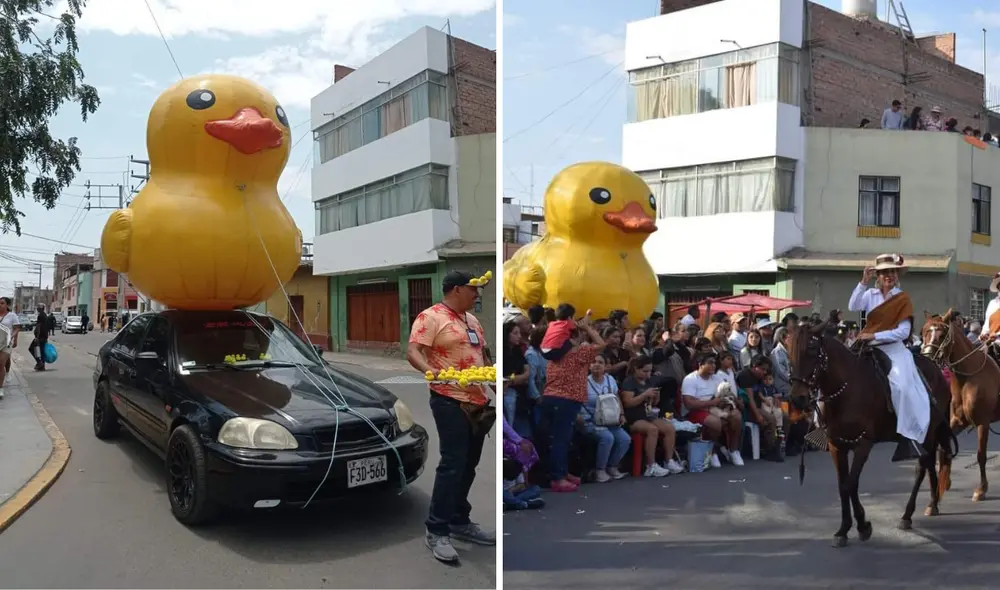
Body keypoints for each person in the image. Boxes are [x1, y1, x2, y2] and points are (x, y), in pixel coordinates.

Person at [406, 270, 496, 563]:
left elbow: (484, 355)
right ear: (456, 289)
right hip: (449, 399)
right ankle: (437, 529)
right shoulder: (431, 317)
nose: (477, 294)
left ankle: (459, 520)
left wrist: (496, 383)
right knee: (453, 464)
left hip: (477, 401)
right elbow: (413, 351)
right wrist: (431, 371)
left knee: (469, 465)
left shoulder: (472, 321)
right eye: (473, 289)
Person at [848, 253, 930, 462]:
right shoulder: (870, 294)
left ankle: (908, 437)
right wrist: (862, 282)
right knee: (838, 372)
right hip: (867, 347)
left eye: (892, 272)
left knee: (902, 387)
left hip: (894, 350)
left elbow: (903, 332)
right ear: (878, 275)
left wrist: (875, 335)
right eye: (884, 272)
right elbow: (853, 306)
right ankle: (822, 425)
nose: (889, 276)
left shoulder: (902, 298)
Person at [540, 309, 605, 493]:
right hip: (566, 399)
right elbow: (602, 344)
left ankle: (561, 472)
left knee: (558, 439)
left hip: (551, 397)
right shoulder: (578, 352)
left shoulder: (555, 353)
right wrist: (588, 328)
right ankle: (558, 478)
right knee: (561, 440)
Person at [682, 353, 745, 468]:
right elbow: (689, 404)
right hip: (697, 411)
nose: (714, 366)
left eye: (714, 363)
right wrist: (711, 403)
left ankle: (733, 450)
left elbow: (724, 394)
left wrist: (726, 405)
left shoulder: (716, 378)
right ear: (700, 364)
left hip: (717, 408)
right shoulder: (690, 379)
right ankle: (712, 452)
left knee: (736, 415)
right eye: (710, 363)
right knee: (715, 422)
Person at [578, 354, 631, 482]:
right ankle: (599, 470)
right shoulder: (583, 382)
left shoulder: (610, 379)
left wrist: (621, 414)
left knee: (625, 439)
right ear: (589, 366)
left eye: (600, 362)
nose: (596, 364)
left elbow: (616, 398)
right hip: (590, 421)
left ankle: (612, 467)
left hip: (609, 420)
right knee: (607, 438)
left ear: (606, 366)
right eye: (593, 362)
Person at [0, 297, 20, 398]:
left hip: (6, 343)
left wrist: (13, 338)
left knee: (1, 364)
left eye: (2, 303)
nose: (0, 305)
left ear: (7, 305)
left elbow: (17, 328)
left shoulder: (12, 316)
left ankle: (0, 388)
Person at [28, 303, 50, 372]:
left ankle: (39, 362)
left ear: (40, 308)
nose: (37, 309)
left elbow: (39, 326)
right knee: (41, 351)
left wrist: (37, 337)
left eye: (38, 308)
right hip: (44, 336)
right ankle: (42, 366)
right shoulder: (45, 315)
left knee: (31, 349)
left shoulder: (40, 316)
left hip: (40, 337)